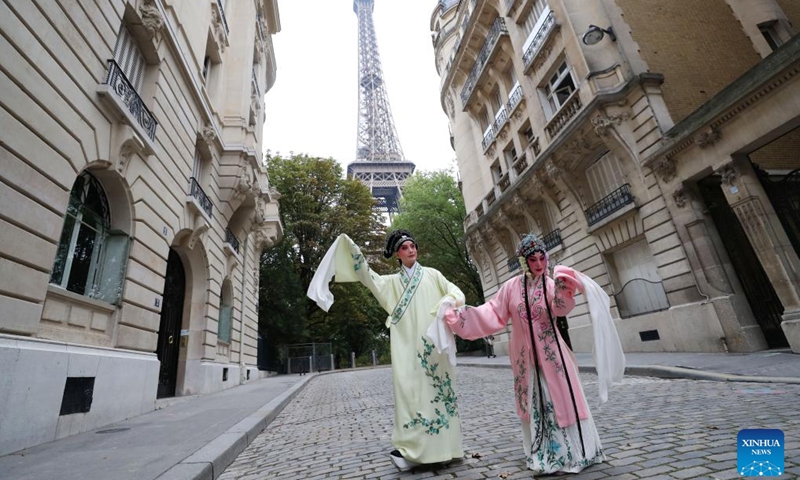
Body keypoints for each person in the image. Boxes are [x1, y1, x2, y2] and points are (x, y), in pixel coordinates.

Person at [444, 233, 625, 475]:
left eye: (542, 259)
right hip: (524, 358)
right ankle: (541, 452)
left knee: (561, 399)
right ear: (524, 262)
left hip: (553, 356)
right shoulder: (510, 288)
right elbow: (492, 313)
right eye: (533, 260)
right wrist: (457, 317)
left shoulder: (550, 284)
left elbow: (561, 310)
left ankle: (574, 453)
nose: (539, 264)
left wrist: (564, 288)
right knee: (533, 403)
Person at [307, 230, 465, 471]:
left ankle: (446, 449)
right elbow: (368, 277)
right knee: (411, 394)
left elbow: (456, 292)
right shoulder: (391, 282)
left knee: (438, 393)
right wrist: (352, 249)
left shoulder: (433, 275)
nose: (411, 250)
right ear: (397, 255)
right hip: (406, 348)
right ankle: (414, 449)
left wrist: (449, 301)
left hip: (434, 346)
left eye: (413, 246)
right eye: (405, 248)